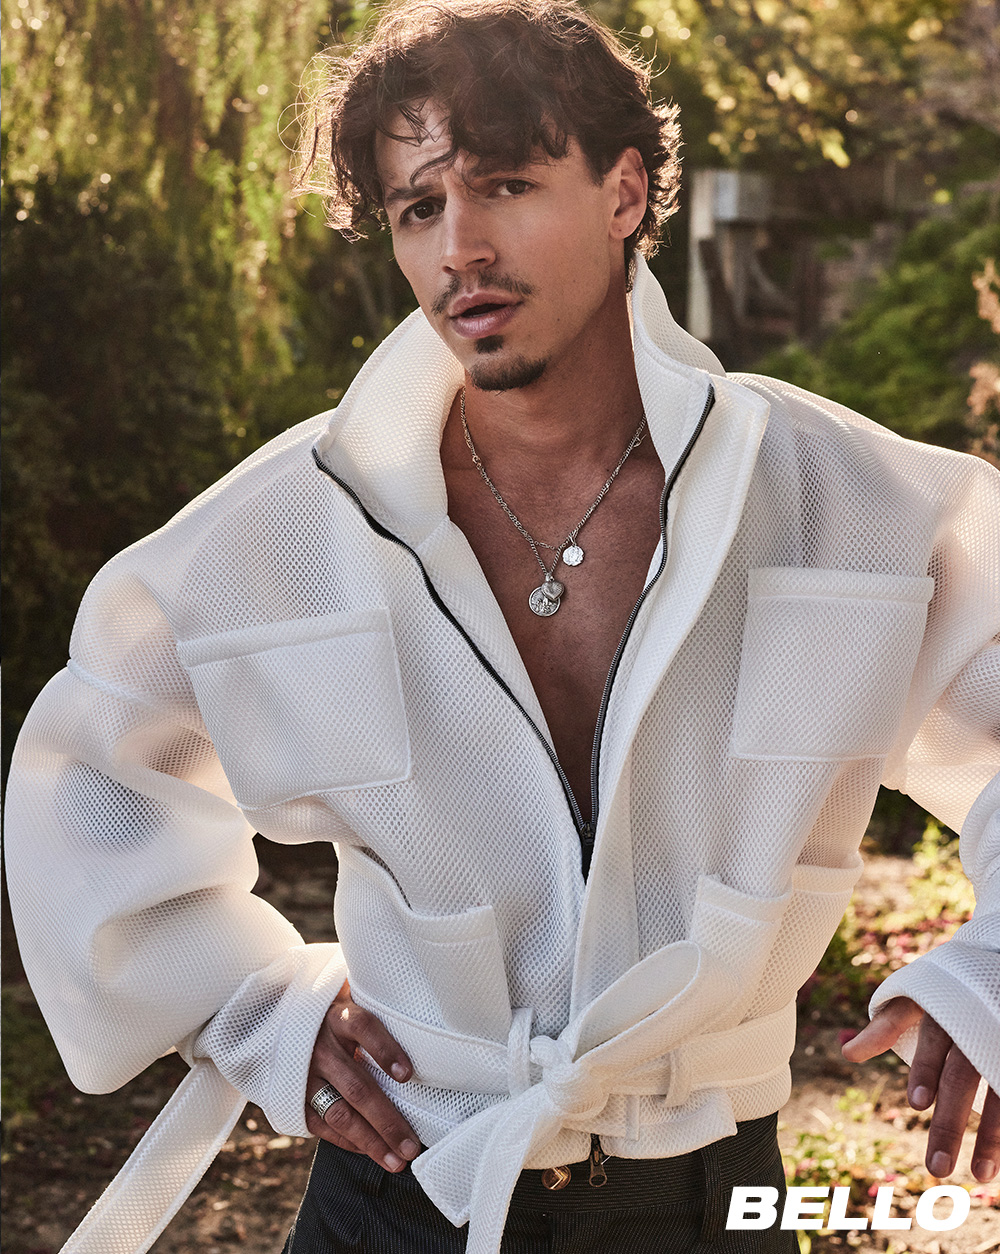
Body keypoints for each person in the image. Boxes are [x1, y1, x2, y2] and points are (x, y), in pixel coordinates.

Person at [5, 2, 999, 1252]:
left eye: (507, 186)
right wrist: (256, 1013)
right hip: (403, 1194)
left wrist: (988, 975)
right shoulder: (286, 528)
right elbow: (92, 777)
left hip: (709, 1195)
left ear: (625, 191)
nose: (459, 248)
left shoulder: (836, 497)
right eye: (418, 207)